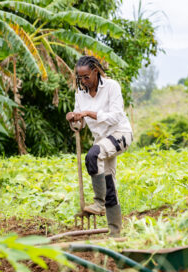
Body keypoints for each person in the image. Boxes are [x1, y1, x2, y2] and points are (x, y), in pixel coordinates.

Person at [66, 55, 133, 236]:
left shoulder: (112, 87)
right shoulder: (80, 93)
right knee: (109, 185)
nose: (84, 81)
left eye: (86, 76)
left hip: (120, 134)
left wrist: (88, 112)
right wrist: (74, 118)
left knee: (92, 155)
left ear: (96, 72)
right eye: (80, 78)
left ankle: (99, 203)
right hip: (101, 140)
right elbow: (80, 120)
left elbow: (116, 116)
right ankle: (115, 234)